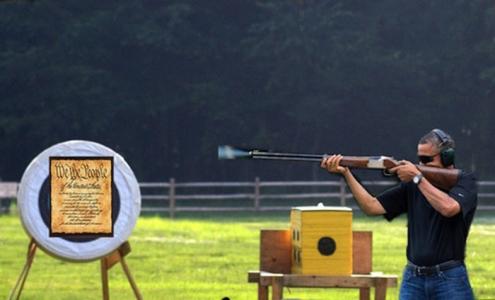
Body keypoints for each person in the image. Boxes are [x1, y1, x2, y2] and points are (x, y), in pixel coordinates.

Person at [321, 129, 477, 300]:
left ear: (447, 156)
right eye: (419, 158)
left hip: (449, 278)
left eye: (426, 159)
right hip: (413, 277)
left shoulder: (463, 181)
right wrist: (346, 173)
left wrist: (418, 178)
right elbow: (372, 207)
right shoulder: (413, 185)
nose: (421, 163)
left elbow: (449, 208)